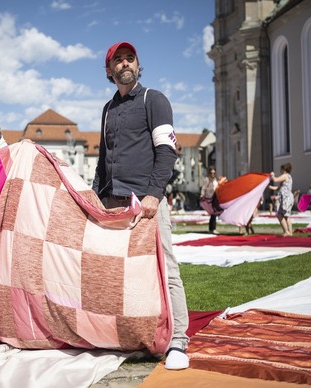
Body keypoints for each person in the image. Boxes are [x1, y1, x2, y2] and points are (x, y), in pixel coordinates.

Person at [92, 42, 190, 370]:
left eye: (130, 58)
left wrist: (154, 194)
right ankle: (134, 334)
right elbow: (104, 160)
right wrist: (95, 196)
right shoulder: (108, 109)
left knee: (167, 270)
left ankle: (178, 342)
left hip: (148, 202)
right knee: (120, 273)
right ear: (109, 71)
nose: (125, 64)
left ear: (138, 64)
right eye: (118, 61)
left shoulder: (154, 100)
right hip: (113, 202)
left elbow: (166, 151)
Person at [269, 163, 294, 236]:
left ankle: (286, 231)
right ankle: (290, 232)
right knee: (286, 215)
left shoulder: (285, 175)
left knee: (279, 214)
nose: (280, 171)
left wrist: (272, 175)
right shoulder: (289, 177)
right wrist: (271, 187)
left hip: (285, 198)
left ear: (284, 169)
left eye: (281, 169)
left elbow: (275, 179)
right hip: (288, 197)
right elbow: (279, 188)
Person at [200, 166, 220, 235]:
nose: (213, 174)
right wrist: (202, 195)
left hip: (214, 198)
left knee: (213, 214)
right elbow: (204, 188)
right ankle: (213, 229)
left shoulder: (215, 180)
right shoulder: (207, 179)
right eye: (211, 173)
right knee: (213, 214)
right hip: (208, 198)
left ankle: (212, 229)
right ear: (209, 173)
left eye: (214, 173)